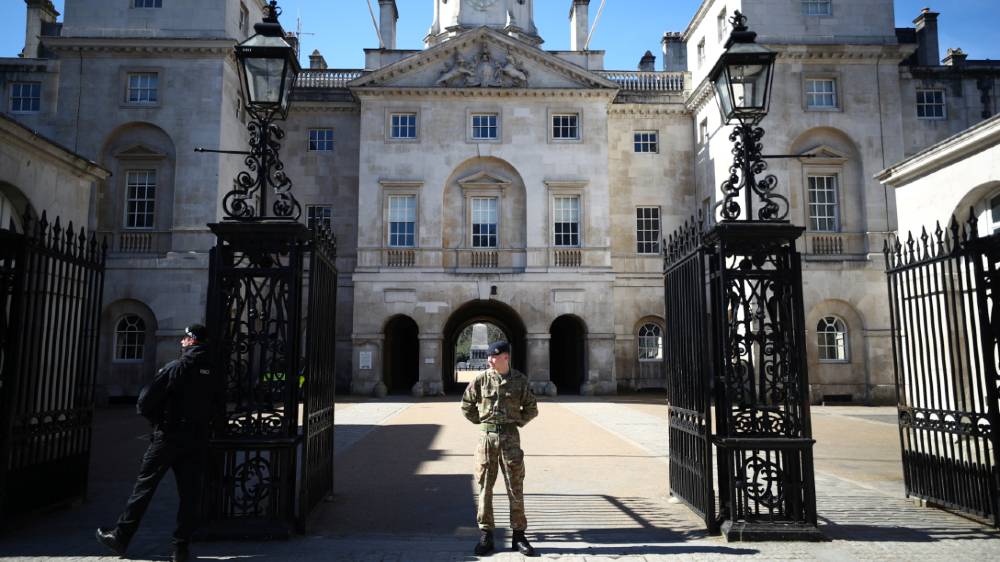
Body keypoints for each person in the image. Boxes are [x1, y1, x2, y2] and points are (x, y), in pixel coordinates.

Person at [96, 323, 216, 562]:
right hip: (196, 437)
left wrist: (158, 421)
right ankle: (181, 547)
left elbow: (145, 401)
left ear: (191, 340)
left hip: (168, 437)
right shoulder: (214, 371)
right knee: (190, 494)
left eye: (185, 338)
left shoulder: (176, 367)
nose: (181, 341)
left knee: (144, 488)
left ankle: (121, 536)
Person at [460, 341, 539, 556]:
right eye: (488, 356)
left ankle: (519, 536)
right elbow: (466, 405)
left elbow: (532, 408)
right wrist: (482, 422)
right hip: (487, 440)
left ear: (506, 357)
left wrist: (517, 422)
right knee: (485, 487)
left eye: (494, 356)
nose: (489, 360)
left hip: (510, 439)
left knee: (515, 486)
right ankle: (486, 535)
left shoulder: (520, 380)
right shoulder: (481, 379)